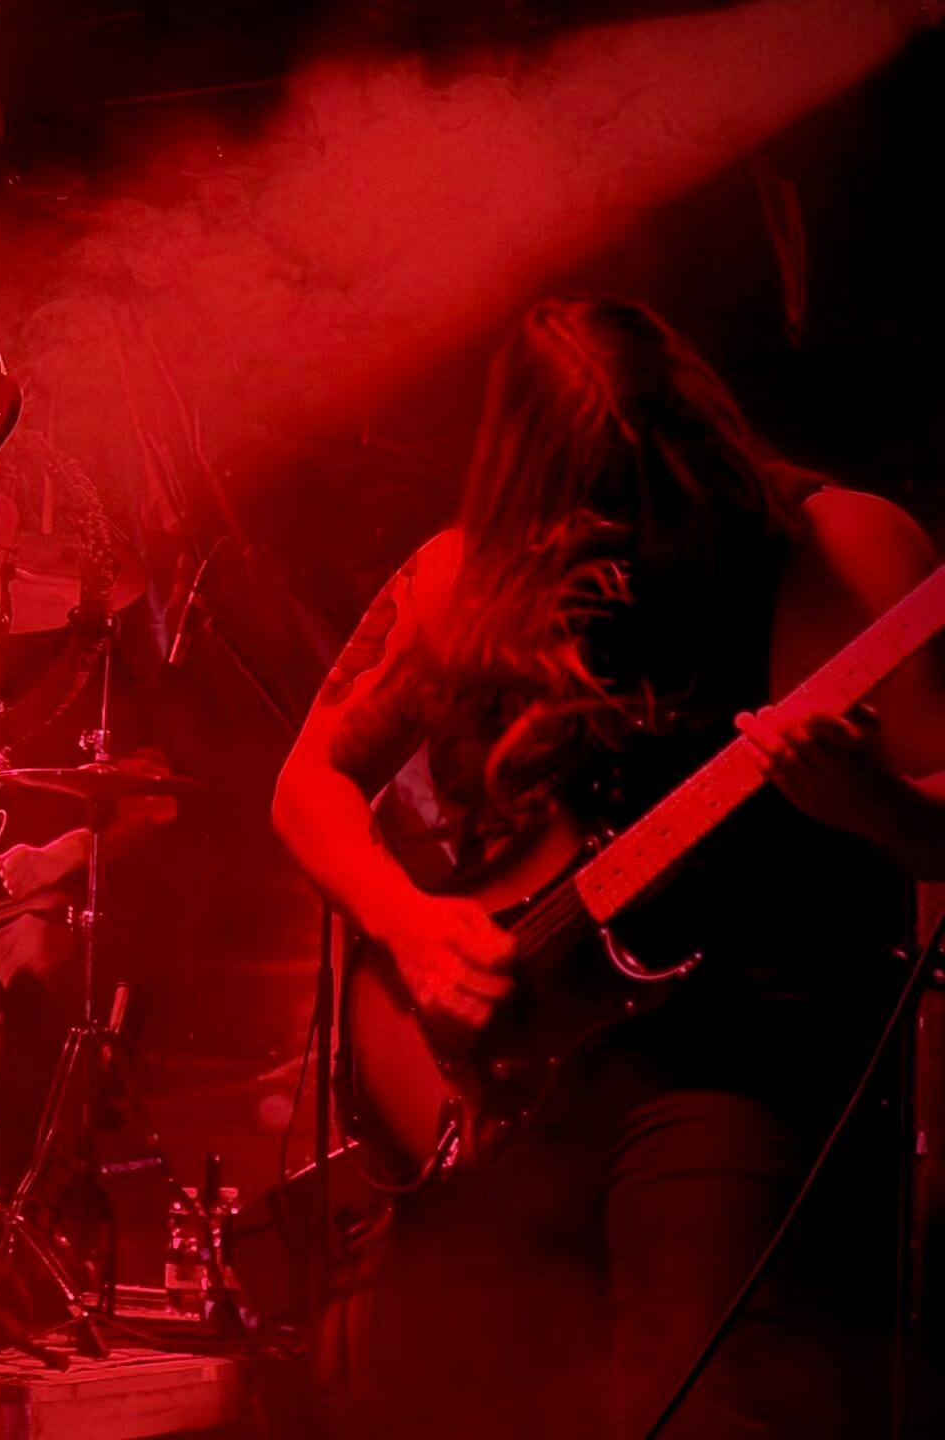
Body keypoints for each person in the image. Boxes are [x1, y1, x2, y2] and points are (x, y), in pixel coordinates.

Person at [270, 295, 945, 1437]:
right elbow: (307, 787)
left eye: (642, 492)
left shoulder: (838, 549)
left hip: (742, 1057)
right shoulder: (461, 576)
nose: (621, 536)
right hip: (518, 1078)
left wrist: (867, 803)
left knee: (699, 1395)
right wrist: (412, 928)